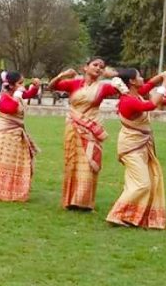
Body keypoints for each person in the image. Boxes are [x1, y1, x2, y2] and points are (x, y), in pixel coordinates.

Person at [105, 66, 166, 229]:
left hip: (139, 145)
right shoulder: (128, 101)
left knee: (137, 182)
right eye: (139, 76)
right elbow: (152, 104)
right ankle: (116, 214)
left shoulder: (133, 94)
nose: (142, 78)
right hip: (131, 147)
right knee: (142, 184)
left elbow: (151, 83)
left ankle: (130, 216)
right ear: (131, 81)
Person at [48, 58, 119, 210]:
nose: (98, 68)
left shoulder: (103, 87)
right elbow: (52, 86)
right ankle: (70, 200)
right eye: (95, 65)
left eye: (101, 66)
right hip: (73, 127)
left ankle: (84, 201)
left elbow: (123, 88)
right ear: (85, 68)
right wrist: (62, 75)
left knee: (88, 162)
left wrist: (112, 75)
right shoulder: (73, 84)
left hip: (91, 128)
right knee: (72, 161)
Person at [0, 71, 41, 202]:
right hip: (5, 134)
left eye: (23, 82)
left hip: (17, 133)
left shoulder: (18, 94)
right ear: (11, 85)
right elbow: (11, 108)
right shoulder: (4, 97)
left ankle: (17, 191)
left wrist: (35, 86)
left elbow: (30, 94)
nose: (22, 86)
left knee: (21, 162)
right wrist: (18, 94)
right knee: (4, 164)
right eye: (20, 83)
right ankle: (3, 192)